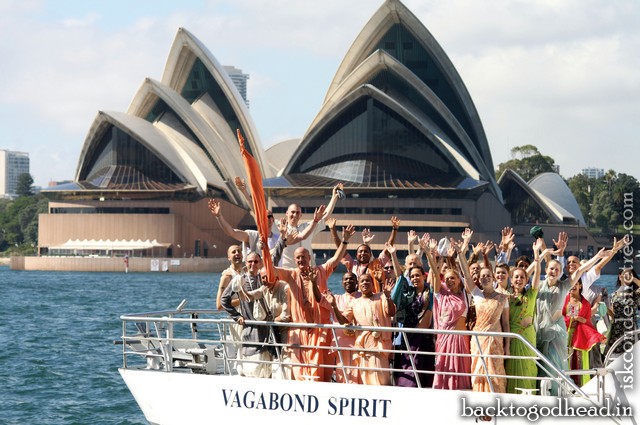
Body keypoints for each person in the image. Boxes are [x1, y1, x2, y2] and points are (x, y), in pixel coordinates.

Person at [272, 224, 356, 382]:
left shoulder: (321, 270)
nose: (300, 260)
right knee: (298, 376)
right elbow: (271, 269)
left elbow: (336, 258)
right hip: (299, 331)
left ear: (309, 257)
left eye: (303, 257)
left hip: (320, 330)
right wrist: (282, 240)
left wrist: (344, 241)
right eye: (297, 258)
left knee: (319, 375)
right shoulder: (291, 274)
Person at [328, 274, 396, 385]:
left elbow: (391, 312)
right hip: (363, 348)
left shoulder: (381, 297)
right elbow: (343, 321)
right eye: (362, 281)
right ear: (358, 285)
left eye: (367, 281)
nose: (365, 283)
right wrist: (334, 305)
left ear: (372, 283)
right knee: (366, 380)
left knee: (381, 381)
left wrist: (388, 296)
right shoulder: (355, 302)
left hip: (379, 347)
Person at [427, 235, 472, 390]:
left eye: (453, 278)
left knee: (461, 373)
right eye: (447, 279)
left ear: (459, 280)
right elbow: (434, 274)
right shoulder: (441, 294)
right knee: (444, 370)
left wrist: (461, 253)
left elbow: (466, 274)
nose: (450, 281)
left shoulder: (466, 295)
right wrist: (430, 255)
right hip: (444, 338)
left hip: (460, 341)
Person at [220, 252, 272, 378]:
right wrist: (236, 316)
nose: (253, 264)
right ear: (246, 263)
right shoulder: (239, 280)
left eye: (255, 261)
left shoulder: (265, 278)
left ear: (260, 263)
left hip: (269, 329)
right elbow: (224, 300)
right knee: (251, 368)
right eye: (250, 261)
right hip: (250, 329)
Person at [505, 239, 545, 394]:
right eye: (516, 277)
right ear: (511, 279)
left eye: (522, 277)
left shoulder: (531, 295)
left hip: (527, 337)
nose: (519, 280)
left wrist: (536, 254)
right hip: (513, 338)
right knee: (512, 370)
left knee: (529, 370)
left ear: (526, 280)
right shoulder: (506, 296)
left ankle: (530, 400)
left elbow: (538, 274)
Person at [464, 265, 510, 393]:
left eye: (488, 275)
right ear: (478, 280)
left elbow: (506, 324)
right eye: (482, 276)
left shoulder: (502, 298)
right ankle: (480, 406)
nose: (485, 278)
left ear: (493, 278)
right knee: (479, 373)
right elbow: (467, 276)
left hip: (495, 342)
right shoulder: (477, 294)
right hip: (478, 341)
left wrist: (507, 346)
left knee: (495, 373)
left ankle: (495, 406)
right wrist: (461, 253)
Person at [243, 266, 292, 379]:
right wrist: (239, 287)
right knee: (274, 355)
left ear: (275, 276)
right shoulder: (265, 288)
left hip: (285, 329)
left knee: (284, 356)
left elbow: (286, 316)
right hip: (273, 328)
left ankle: (284, 379)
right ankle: (274, 377)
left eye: (267, 276)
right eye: (262, 277)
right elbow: (251, 295)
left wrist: (272, 322)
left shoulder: (284, 288)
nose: (265, 280)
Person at [280, 183, 344, 267]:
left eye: (297, 212)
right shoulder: (280, 229)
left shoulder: (306, 227)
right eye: (292, 212)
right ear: (287, 213)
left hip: (308, 273)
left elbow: (325, 216)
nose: (295, 215)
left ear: (301, 215)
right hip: (288, 273)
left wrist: (334, 197)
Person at [393, 264, 434, 388]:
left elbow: (427, 320)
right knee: (408, 364)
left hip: (422, 337)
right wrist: (394, 254)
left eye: (417, 275)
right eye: (412, 276)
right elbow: (395, 294)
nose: (415, 278)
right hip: (408, 336)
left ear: (424, 276)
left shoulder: (429, 294)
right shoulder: (408, 294)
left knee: (420, 366)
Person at [563, 280, 607, 386]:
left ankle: (579, 386)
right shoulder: (564, 300)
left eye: (576, 284)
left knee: (579, 362)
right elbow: (560, 317)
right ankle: (566, 385)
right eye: (571, 284)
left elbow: (587, 324)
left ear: (580, 286)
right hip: (565, 336)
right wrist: (573, 319)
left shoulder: (585, 304)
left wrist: (598, 336)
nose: (573, 286)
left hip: (579, 338)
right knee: (565, 361)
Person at [329, 272, 361, 384]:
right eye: (346, 279)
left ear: (357, 282)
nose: (348, 281)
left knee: (360, 373)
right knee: (341, 373)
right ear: (342, 282)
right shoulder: (335, 298)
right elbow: (318, 300)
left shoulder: (363, 297)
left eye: (352, 279)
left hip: (359, 343)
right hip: (341, 343)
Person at [604, 268, 640, 359]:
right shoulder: (613, 295)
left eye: (630, 274)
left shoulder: (635, 294)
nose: (627, 276)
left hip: (631, 327)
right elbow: (613, 315)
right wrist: (604, 306)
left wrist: (633, 279)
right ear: (620, 277)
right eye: (625, 274)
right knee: (615, 357)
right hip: (617, 329)